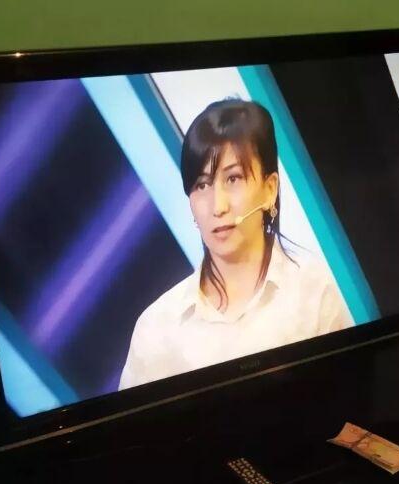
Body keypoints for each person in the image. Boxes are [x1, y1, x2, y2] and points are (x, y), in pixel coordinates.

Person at [119, 98, 353, 390]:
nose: (218, 206)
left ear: (269, 189)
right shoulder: (157, 328)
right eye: (202, 185)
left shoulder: (314, 290)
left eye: (233, 179)